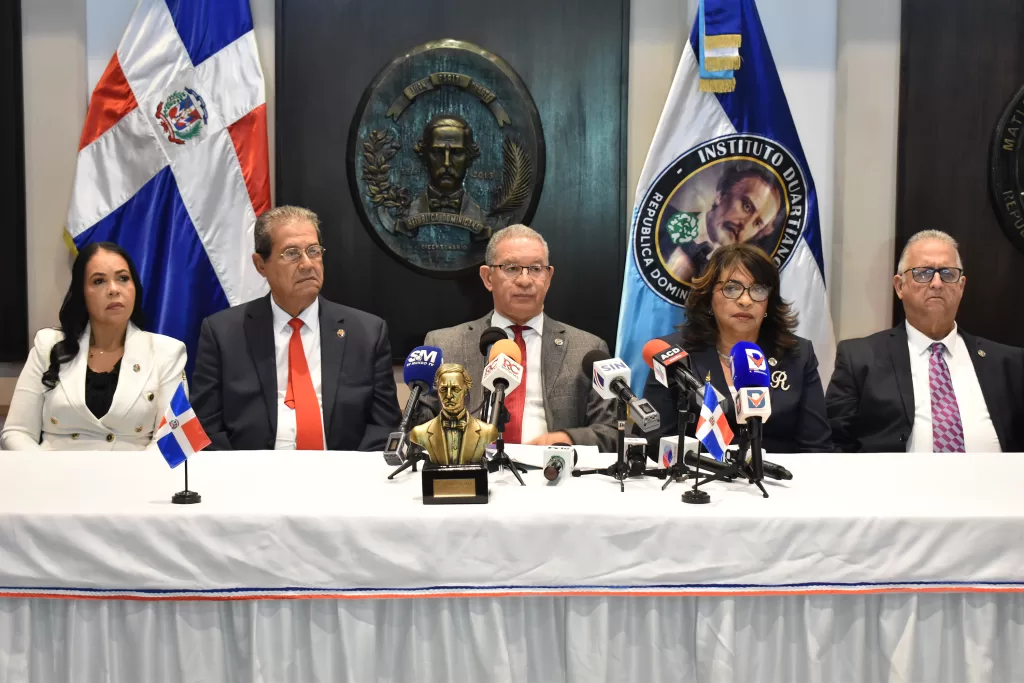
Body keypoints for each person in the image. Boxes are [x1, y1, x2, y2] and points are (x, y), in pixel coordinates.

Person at [191, 206, 401, 451]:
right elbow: (206, 427)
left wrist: (349, 477)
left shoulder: (367, 333)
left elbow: (384, 426)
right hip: (251, 478)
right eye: (292, 253)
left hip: (342, 477)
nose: (307, 264)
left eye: (314, 251)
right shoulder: (223, 333)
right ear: (260, 264)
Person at [418, 224, 617, 451]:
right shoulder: (444, 345)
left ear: (549, 277)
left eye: (535, 269)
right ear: (488, 277)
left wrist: (567, 439)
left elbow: (610, 431)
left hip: (553, 475)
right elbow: (420, 427)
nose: (525, 280)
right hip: (472, 470)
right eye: (511, 268)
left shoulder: (588, 349)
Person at [826, 230, 1024, 452]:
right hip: (896, 485)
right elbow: (834, 444)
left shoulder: (1009, 363)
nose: (937, 283)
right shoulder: (860, 358)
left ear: (961, 286)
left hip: (997, 484)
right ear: (900, 286)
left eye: (948, 273)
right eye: (923, 273)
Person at [642, 243, 832, 453]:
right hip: (697, 479)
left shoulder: (797, 355)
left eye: (758, 289)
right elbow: (655, 443)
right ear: (709, 298)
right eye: (731, 288)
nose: (745, 300)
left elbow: (817, 447)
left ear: (769, 301)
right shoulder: (673, 354)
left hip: (777, 479)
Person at [1, 242, 186, 450]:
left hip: (133, 478)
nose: (114, 290)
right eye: (99, 281)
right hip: (54, 478)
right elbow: (17, 431)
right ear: (82, 293)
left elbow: (175, 438)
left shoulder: (168, 352)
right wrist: (47, 476)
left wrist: (135, 479)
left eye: (123, 278)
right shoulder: (48, 345)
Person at [662, 164, 784, 282]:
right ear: (721, 194)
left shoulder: (740, 279)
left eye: (757, 223)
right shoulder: (661, 220)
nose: (744, 225)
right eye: (747, 206)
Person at [410, 364, 498, 465]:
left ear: (466, 390)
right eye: (443, 389)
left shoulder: (487, 431)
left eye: (455, 389)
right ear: (437, 391)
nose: (448, 395)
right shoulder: (420, 432)